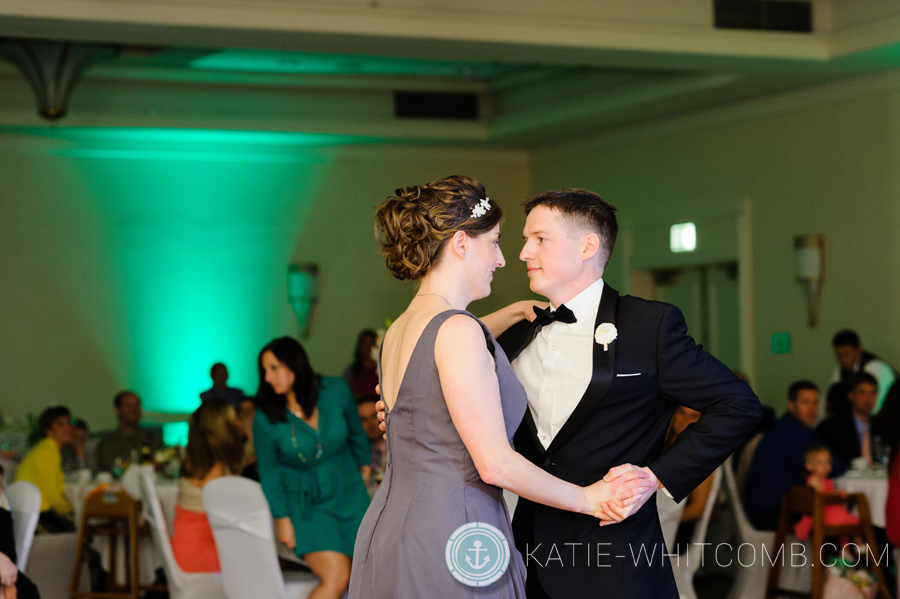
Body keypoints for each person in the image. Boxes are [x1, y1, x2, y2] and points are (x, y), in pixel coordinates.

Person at [351, 176, 653, 599]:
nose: (502, 259)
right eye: (493, 242)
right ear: (460, 243)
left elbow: (442, 357)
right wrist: (589, 498)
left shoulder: (402, 328)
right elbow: (495, 464)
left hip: (393, 523)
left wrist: (509, 312)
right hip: (455, 529)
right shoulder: (457, 331)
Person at [487, 188, 762, 599]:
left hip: (615, 556)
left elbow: (738, 404)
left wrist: (654, 476)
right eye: (525, 240)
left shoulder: (648, 326)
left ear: (588, 246)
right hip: (525, 555)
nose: (524, 253)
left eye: (539, 239)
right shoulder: (516, 332)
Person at [254, 337, 373, 599]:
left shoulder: (335, 390)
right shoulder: (266, 416)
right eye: (264, 371)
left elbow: (357, 434)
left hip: (350, 496)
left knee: (366, 579)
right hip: (306, 508)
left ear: (296, 363)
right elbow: (269, 472)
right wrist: (282, 519)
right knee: (336, 578)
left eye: (274, 368)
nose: (267, 377)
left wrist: (364, 472)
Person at [743, 381, 836, 531]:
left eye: (815, 403)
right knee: (832, 517)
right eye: (805, 402)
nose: (812, 409)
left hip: (771, 507)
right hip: (770, 513)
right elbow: (832, 466)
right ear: (791, 405)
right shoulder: (790, 433)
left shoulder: (798, 429)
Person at [170, 398, 244, 573]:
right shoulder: (215, 472)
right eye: (234, 420)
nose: (239, 424)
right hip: (204, 559)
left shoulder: (199, 465)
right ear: (222, 429)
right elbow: (232, 519)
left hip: (186, 551)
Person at [662, 406, 716, 553]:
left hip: (675, 527)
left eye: (693, 416)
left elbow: (698, 509)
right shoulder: (659, 446)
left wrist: (660, 520)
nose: (685, 419)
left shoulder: (701, 458)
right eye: (682, 412)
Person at [15, 406, 76, 532]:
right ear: (47, 429)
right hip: (37, 514)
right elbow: (52, 496)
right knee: (81, 535)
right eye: (61, 424)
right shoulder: (48, 452)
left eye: (69, 423)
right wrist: (73, 509)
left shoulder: (44, 449)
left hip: (28, 512)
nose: (68, 428)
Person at [792, 445, 858, 541]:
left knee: (853, 521)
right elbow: (820, 494)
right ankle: (852, 546)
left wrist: (836, 493)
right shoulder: (813, 480)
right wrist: (836, 494)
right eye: (820, 463)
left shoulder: (829, 481)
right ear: (809, 466)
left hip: (832, 510)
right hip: (822, 513)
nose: (825, 466)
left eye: (828, 462)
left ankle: (851, 548)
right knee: (848, 521)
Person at [826, 330, 896, 417]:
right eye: (839, 355)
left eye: (846, 354)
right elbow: (831, 398)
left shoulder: (876, 368)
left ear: (858, 350)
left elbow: (876, 407)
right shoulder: (840, 369)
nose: (843, 359)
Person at [817, 372, 878, 469]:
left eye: (872, 392)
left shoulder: (882, 425)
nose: (868, 398)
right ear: (851, 395)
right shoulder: (832, 427)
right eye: (862, 392)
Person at [96, 391, 163, 473]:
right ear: (117, 410)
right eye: (128, 405)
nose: (133, 409)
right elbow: (109, 467)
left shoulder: (153, 439)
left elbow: (161, 464)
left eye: (137, 405)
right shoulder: (108, 442)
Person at [354, 395, 385, 493]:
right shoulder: (353, 456)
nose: (370, 423)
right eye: (363, 419)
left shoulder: (402, 446)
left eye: (374, 416)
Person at [342, 330, 379, 398]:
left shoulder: (382, 371)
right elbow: (344, 393)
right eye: (365, 344)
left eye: (371, 344)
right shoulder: (351, 371)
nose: (368, 348)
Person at [236, 397, 258, 480]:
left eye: (249, 410)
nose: (245, 414)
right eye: (242, 410)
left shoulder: (264, 432)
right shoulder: (236, 434)